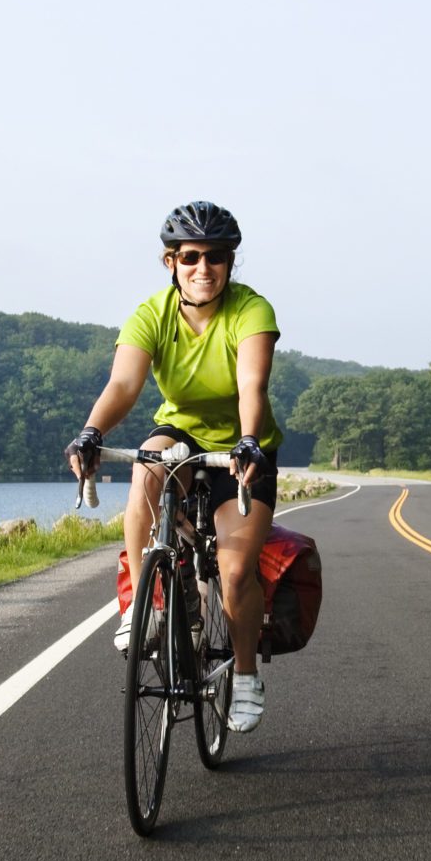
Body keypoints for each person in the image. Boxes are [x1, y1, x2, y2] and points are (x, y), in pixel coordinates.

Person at [67, 202, 280, 734]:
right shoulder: (151, 314)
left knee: (233, 573)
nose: (202, 267)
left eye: (216, 256)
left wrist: (250, 440)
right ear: (171, 262)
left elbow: (252, 385)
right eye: (190, 256)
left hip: (242, 444)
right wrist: (92, 433)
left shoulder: (251, 311)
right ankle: (144, 607)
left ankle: (247, 675)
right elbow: (123, 386)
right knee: (146, 468)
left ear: (231, 262)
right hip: (181, 432)